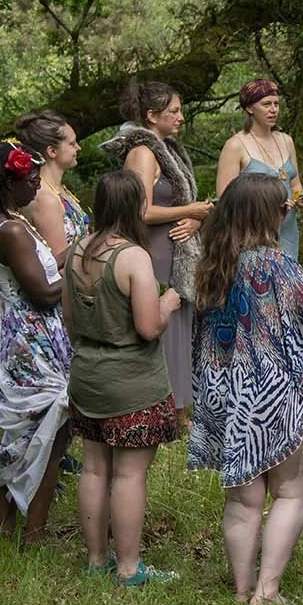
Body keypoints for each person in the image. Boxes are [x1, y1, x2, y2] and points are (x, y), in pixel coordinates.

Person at [189, 175, 303, 605]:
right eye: (283, 208)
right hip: (275, 392)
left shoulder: (212, 265)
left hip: (225, 393)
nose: (286, 213)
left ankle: (241, 589)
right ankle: (266, 592)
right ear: (271, 215)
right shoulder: (277, 264)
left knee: (242, 501)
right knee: (290, 492)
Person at [63, 170, 184, 585]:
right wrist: (169, 302)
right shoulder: (133, 257)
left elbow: (70, 321)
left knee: (94, 468)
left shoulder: (76, 250)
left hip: (86, 375)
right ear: (136, 207)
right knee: (129, 475)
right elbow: (149, 327)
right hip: (131, 382)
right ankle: (129, 568)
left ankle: (97, 560)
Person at [0, 141, 72, 544]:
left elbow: (40, 270)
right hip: (33, 342)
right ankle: (34, 533)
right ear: (7, 183)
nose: (37, 185)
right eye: (31, 179)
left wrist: (74, 253)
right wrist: (81, 274)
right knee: (51, 434)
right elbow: (44, 294)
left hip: (13, 333)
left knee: (23, 436)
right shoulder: (12, 230)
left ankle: (6, 527)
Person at [100, 81, 211, 417]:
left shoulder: (168, 149)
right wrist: (191, 211)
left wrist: (194, 220)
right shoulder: (143, 153)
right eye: (173, 111)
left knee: (180, 324)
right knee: (162, 322)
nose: (180, 117)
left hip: (177, 248)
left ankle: (179, 407)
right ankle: (158, 407)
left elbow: (181, 206)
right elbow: (141, 211)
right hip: (154, 250)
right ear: (151, 115)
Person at [215, 79, 303, 259]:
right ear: (250, 108)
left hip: (287, 231)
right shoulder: (235, 145)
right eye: (266, 104)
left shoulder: (286, 140)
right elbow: (225, 200)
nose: (273, 110)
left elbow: (295, 185)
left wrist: (299, 198)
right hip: (253, 235)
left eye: (276, 104)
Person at [15, 109, 89, 257]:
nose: (78, 147)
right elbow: (59, 259)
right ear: (52, 151)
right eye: (72, 144)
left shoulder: (58, 188)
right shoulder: (44, 199)